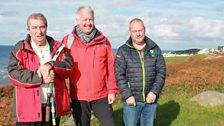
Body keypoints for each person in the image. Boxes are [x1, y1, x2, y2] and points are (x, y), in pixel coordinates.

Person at [8, 13, 73, 126]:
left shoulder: (58, 47)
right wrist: (40, 78)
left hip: (52, 107)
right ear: (28, 30)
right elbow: (13, 74)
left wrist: (50, 65)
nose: (39, 31)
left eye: (42, 27)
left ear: (46, 28)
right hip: (28, 110)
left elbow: (69, 67)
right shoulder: (20, 48)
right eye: (34, 27)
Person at [62, 6, 118, 126]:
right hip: (78, 96)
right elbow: (61, 69)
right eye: (85, 19)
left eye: (91, 19)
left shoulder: (104, 41)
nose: (88, 23)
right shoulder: (67, 41)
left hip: (101, 95)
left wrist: (112, 90)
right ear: (77, 20)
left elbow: (111, 67)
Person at [115, 18, 166, 126]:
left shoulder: (155, 49)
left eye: (140, 30)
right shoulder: (123, 50)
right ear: (130, 32)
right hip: (131, 101)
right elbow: (119, 75)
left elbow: (161, 72)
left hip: (150, 100)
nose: (138, 34)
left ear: (145, 30)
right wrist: (127, 95)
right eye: (135, 31)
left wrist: (154, 92)